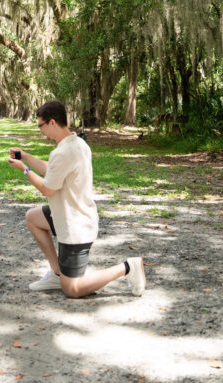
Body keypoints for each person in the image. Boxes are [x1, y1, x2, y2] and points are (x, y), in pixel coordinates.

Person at [8, 99, 146, 298]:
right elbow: (53, 171)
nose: (40, 130)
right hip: (70, 215)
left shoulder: (63, 152)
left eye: (41, 125)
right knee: (33, 217)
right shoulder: (78, 143)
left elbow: (47, 189)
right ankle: (57, 273)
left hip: (75, 227)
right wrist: (26, 157)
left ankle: (127, 268)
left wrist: (25, 170)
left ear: (52, 122)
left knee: (72, 290)